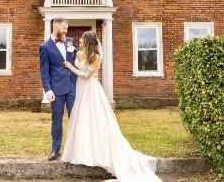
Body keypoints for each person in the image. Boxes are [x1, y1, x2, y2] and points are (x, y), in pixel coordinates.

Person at [62, 31, 162, 182]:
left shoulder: (96, 57)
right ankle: (80, 152)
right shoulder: (78, 53)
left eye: (82, 38)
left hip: (91, 89)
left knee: (95, 118)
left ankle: (98, 152)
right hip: (80, 89)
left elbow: (86, 76)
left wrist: (71, 67)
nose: (79, 40)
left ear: (87, 41)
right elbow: (74, 62)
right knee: (81, 118)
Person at [39, 17, 77, 161]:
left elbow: (77, 60)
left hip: (72, 87)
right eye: (64, 28)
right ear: (55, 27)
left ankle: (76, 148)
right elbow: (44, 71)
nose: (66, 31)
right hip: (56, 90)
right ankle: (55, 149)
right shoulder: (45, 47)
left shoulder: (70, 42)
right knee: (57, 119)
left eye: (67, 28)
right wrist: (48, 90)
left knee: (75, 118)